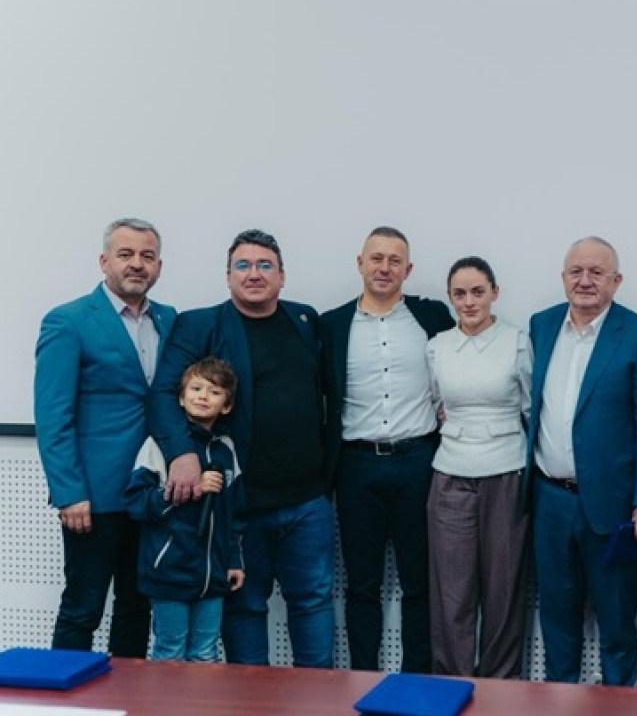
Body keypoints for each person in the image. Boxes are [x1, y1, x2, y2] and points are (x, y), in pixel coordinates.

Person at [148, 229, 335, 668]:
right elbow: (163, 395)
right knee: (245, 606)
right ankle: (251, 701)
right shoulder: (199, 325)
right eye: (243, 266)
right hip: (241, 506)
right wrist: (182, 454)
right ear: (228, 276)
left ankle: (320, 697)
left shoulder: (305, 320)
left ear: (282, 276)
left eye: (265, 265)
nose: (254, 274)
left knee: (313, 601)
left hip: (308, 502)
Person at [524, 236, 637, 687]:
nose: (584, 281)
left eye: (596, 272)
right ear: (563, 277)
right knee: (557, 622)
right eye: (576, 271)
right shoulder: (542, 325)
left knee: (617, 627)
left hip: (614, 506)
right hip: (549, 501)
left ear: (616, 281)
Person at [34, 218, 175, 657]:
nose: (137, 264)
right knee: (82, 609)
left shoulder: (169, 320)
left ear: (159, 267)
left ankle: (126, 694)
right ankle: (64, 694)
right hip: (92, 499)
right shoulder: (69, 321)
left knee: (137, 606)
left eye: (147, 256)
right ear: (104, 261)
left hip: (151, 495)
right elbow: (53, 417)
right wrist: (69, 493)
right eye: (125, 254)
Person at [319, 226, 454, 672]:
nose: (384, 268)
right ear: (360, 263)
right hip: (355, 467)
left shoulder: (432, 317)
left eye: (395, 260)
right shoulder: (332, 324)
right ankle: (363, 676)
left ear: (408, 269)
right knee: (361, 585)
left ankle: (416, 681)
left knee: (420, 583)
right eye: (376, 258)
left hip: (418, 463)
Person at [425, 256, 532, 677]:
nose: (469, 302)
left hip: (506, 475)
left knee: (503, 589)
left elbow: (531, 408)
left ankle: (499, 687)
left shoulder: (517, 342)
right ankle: (452, 683)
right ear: (450, 298)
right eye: (459, 294)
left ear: (494, 293)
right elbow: (436, 403)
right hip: (450, 475)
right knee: (452, 591)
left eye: (477, 292)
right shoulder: (437, 346)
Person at [125, 357, 245, 662]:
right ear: (180, 398)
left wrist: (233, 560)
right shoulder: (158, 446)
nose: (203, 396)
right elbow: (137, 503)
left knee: (205, 652)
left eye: (214, 392)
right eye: (196, 388)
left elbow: (234, 514)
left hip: (213, 576)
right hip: (170, 573)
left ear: (226, 406)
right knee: (170, 650)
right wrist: (188, 491)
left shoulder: (226, 449)